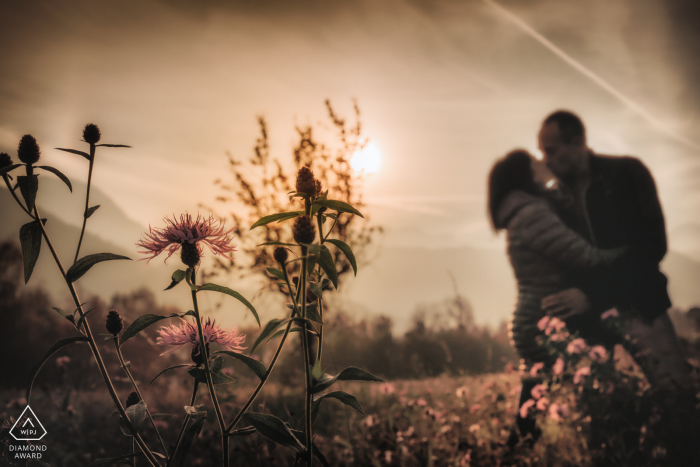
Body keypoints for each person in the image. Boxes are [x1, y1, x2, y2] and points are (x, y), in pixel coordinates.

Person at [537, 110, 691, 390]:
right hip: (589, 323)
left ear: (577, 141)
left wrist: (592, 294)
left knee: (676, 395)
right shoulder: (555, 200)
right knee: (609, 416)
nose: (546, 160)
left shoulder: (627, 173)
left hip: (641, 305)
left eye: (551, 150)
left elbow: (652, 246)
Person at [487, 149, 626, 441]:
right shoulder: (532, 215)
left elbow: (565, 208)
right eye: (536, 163)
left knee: (532, 406)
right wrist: (631, 255)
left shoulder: (527, 211)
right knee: (593, 383)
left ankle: (514, 454)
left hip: (535, 318)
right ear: (527, 175)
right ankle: (607, 443)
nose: (544, 163)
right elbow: (585, 256)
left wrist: (555, 186)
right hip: (544, 319)